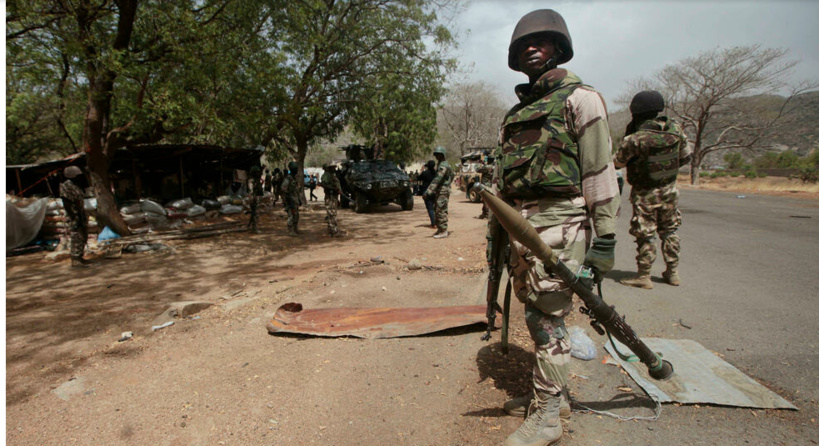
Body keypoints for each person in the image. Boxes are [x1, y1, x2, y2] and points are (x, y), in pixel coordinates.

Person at [493, 10, 620, 446]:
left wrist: (604, 239)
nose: (531, 47)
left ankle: (547, 417)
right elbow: (503, 182)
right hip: (521, 227)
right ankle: (553, 398)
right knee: (536, 313)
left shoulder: (581, 99)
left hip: (562, 223)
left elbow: (600, 172)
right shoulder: (516, 113)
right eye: (524, 43)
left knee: (548, 319)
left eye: (542, 40)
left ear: (559, 48)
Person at [614, 90, 691, 289]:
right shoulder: (676, 131)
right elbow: (685, 157)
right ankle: (672, 273)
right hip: (670, 190)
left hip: (644, 192)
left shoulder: (636, 138)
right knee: (669, 230)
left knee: (645, 234)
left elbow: (617, 163)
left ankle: (644, 276)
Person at [60, 166, 91, 268]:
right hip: (74, 215)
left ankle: (80, 256)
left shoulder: (76, 185)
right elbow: (67, 203)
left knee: (82, 235)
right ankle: (75, 258)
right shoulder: (66, 186)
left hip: (80, 214)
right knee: (76, 236)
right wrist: (74, 216)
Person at [424, 147, 454, 239]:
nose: (436, 156)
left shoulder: (443, 165)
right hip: (441, 190)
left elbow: (437, 179)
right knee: (437, 208)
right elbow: (452, 176)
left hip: (442, 191)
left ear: (442, 155)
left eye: (438, 155)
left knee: (441, 210)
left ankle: (443, 230)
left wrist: (428, 191)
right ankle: (440, 229)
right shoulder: (444, 164)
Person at [320, 163, 343, 237]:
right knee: (332, 214)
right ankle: (334, 231)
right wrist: (335, 189)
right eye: (333, 168)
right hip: (331, 196)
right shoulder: (327, 176)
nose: (335, 169)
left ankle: (331, 230)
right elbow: (325, 185)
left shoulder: (331, 176)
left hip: (333, 197)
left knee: (331, 214)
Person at [281, 161, 301, 235]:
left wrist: (299, 199)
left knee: (296, 215)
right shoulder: (288, 178)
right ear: (292, 169)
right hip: (290, 201)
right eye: (295, 169)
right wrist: (288, 200)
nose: (297, 170)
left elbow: (297, 190)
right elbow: (283, 189)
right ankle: (290, 230)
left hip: (295, 200)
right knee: (291, 215)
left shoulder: (294, 178)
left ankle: (295, 228)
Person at [418, 160, 437, 228]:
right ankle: (437, 222)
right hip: (435, 191)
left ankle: (433, 223)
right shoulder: (436, 173)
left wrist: (421, 170)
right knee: (435, 208)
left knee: (430, 208)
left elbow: (418, 178)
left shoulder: (425, 173)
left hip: (426, 192)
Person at [247, 166, 263, 234]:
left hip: (257, 198)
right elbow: (251, 190)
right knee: (255, 213)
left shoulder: (257, 180)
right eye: (256, 172)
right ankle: (254, 228)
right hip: (254, 198)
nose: (258, 173)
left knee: (256, 214)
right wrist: (252, 198)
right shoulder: (251, 181)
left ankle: (254, 227)